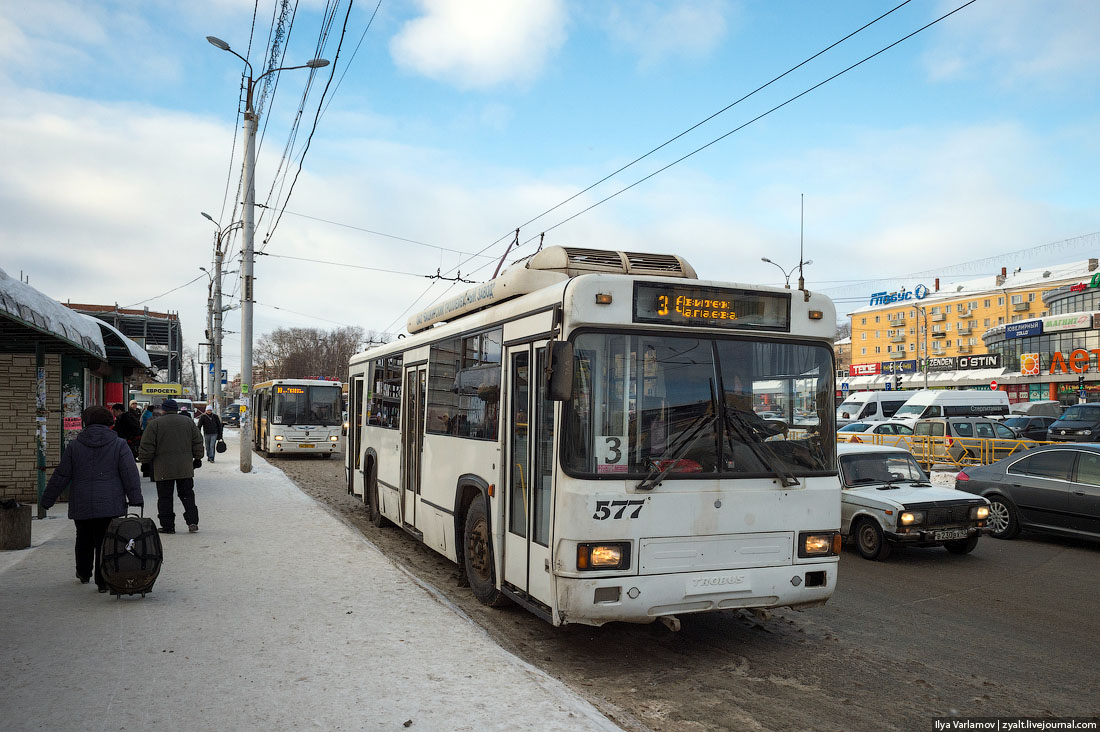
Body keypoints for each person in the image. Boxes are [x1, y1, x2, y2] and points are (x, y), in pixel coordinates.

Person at [40, 405, 144, 593]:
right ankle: (102, 580)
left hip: (82, 501)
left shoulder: (75, 446)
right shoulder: (119, 444)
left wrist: (47, 500)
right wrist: (135, 498)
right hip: (110, 502)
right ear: (110, 423)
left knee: (83, 537)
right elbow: (129, 474)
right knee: (105, 541)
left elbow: (61, 475)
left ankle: (83, 572)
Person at [138, 398, 204, 534]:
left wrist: (145, 461)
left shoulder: (154, 424)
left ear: (163, 409)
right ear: (176, 409)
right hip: (184, 467)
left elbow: (147, 445)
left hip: (163, 468)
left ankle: (168, 526)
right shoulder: (188, 422)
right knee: (187, 495)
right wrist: (198, 458)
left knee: (165, 498)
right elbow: (197, 441)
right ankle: (192, 521)